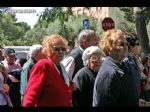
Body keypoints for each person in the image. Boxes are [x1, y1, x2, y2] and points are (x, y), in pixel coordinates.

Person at [23, 34, 73, 107]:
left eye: (63, 49)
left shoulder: (61, 67)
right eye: (56, 49)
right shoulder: (43, 65)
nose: (60, 52)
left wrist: (71, 85)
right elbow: (29, 99)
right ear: (48, 50)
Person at [93, 29, 138, 107]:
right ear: (109, 47)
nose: (126, 47)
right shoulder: (108, 73)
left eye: (126, 44)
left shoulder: (122, 66)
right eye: (121, 44)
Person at [122, 32, 146, 105]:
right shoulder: (126, 62)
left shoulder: (135, 59)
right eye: (137, 44)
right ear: (130, 46)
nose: (139, 46)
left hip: (137, 98)